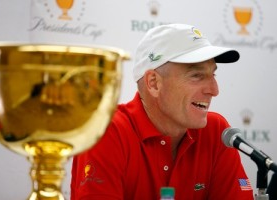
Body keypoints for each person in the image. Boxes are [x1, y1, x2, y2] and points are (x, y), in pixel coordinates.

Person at [70, 23, 254, 199]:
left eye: (212, 74)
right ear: (153, 83)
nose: (214, 90)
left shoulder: (216, 132)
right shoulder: (106, 131)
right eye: (197, 76)